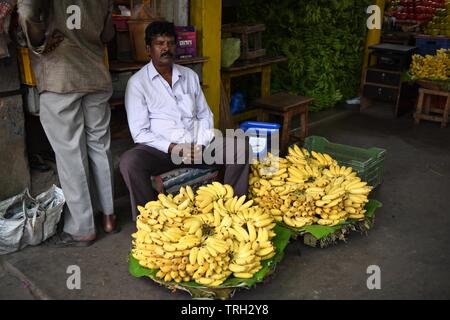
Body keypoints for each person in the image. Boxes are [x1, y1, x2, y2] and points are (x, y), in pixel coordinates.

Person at [120, 21, 252, 220]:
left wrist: (200, 144)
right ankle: (150, 220)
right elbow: (139, 132)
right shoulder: (138, 83)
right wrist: (173, 147)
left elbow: (205, 115)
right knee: (129, 162)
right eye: (160, 43)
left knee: (240, 148)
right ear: (149, 49)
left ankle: (232, 209)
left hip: (197, 146)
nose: (166, 48)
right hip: (161, 151)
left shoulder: (189, 76)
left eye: (171, 43)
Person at [17, 0, 119, 247]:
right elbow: (107, 33)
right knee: (100, 146)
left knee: (71, 154)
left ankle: (83, 228)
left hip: (60, 76)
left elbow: (28, 11)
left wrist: (39, 41)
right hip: (95, 73)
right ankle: (108, 216)